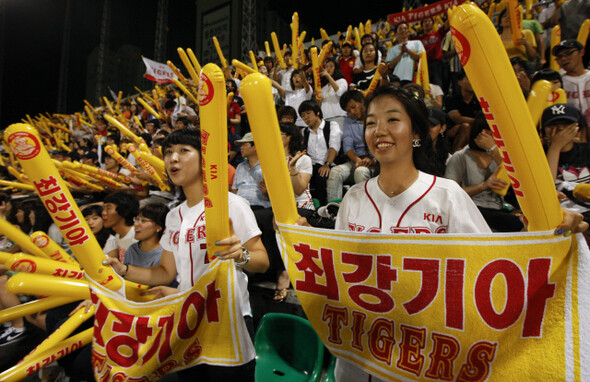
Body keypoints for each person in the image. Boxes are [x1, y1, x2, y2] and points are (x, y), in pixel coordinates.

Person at [331, 83, 588, 382]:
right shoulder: (353, 198)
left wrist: (547, 237)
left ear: (416, 134)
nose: (379, 130)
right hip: (361, 358)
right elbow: (338, 271)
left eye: (392, 119)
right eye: (371, 123)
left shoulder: (446, 195)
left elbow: (490, 271)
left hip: (427, 357)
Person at [104, 128, 269, 381]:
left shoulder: (231, 204)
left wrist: (240, 255)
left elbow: (262, 261)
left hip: (227, 319)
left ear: (204, 160)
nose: (172, 158)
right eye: (168, 152)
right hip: (187, 322)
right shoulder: (173, 216)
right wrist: (123, 270)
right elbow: (164, 273)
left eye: (183, 151)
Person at [445, 112, 524, 232]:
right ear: (484, 133)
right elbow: (450, 194)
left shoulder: (505, 158)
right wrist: (483, 186)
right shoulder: (460, 157)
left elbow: (519, 185)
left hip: (498, 209)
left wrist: (494, 151)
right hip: (470, 208)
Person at [543, 103, 590, 234]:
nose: (560, 129)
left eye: (565, 124)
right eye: (553, 125)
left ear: (577, 128)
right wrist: (555, 147)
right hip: (557, 215)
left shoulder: (587, 150)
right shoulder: (537, 155)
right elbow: (546, 189)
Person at [326, 90, 374, 202]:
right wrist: (357, 160)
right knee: (335, 172)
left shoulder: (375, 116)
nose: (352, 112)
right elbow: (348, 146)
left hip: (377, 160)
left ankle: (364, 209)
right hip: (357, 160)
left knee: (361, 172)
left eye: (353, 107)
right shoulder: (348, 121)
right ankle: (334, 210)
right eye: (348, 111)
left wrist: (373, 159)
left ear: (362, 101)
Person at [299, 100, 343, 206]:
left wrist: (327, 164)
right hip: (312, 165)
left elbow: (334, 147)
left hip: (330, 164)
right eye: (303, 115)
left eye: (308, 113)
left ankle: (322, 209)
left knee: (321, 177)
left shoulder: (332, 125)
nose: (306, 118)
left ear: (317, 112)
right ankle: (307, 206)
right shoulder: (303, 132)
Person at [552, 39, 590, 134]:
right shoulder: (557, 83)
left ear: (582, 52)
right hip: (573, 132)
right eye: (559, 57)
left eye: (568, 53)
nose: (564, 59)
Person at [231, 133, 271, 208]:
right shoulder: (240, 166)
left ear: (255, 146)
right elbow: (234, 190)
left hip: (260, 208)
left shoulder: (267, 167)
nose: (241, 148)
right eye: (241, 145)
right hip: (241, 208)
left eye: (244, 144)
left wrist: (266, 192)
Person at [124, 203, 169, 268]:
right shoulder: (132, 249)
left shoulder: (164, 254)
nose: (136, 224)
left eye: (143, 221)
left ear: (159, 227)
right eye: (137, 219)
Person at [102, 192, 139, 261]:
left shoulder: (136, 235)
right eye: (104, 208)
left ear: (124, 210)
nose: (103, 213)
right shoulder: (118, 235)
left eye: (108, 208)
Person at [320, 57, 348, 127]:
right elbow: (320, 104)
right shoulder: (323, 88)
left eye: (331, 66)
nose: (328, 69)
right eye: (326, 67)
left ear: (336, 69)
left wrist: (328, 76)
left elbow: (340, 93)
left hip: (338, 116)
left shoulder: (342, 81)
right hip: (325, 119)